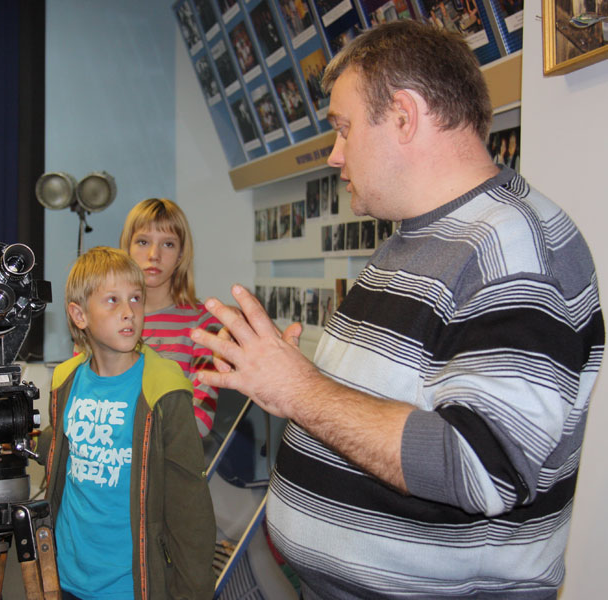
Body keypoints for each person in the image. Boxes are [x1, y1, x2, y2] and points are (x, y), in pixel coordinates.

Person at [191, 21, 604, 598]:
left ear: (405, 116)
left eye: (344, 127)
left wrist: (301, 390)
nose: (335, 154)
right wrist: (283, 381)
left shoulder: (516, 250)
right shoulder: (412, 239)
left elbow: (481, 466)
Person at [41, 247, 214, 600]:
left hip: (133, 583)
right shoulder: (65, 381)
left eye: (136, 298)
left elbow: (190, 507)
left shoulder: (164, 387)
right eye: (112, 300)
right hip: (68, 576)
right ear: (79, 315)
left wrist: (192, 592)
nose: (128, 312)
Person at [120, 197, 221, 438]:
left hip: (166, 457)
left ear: (181, 254)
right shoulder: (101, 317)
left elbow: (200, 421)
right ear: (127, 248)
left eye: (168, 244)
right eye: (143, 242)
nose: (154, 255)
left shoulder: (205, 324)